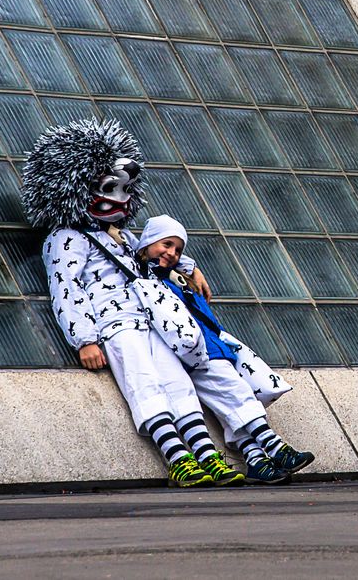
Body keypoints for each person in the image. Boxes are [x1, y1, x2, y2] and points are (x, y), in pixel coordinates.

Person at [24, 119, 243, 488]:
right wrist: (85, 339)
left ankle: (208, 457)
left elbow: (146, 256)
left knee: (178, 384)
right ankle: (178, 460)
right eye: (111, 187)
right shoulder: (65, 238)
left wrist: (189, 266)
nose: (121, 198)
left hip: (151, 320)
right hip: (117, 326)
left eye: (125, 189)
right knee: (144, 385)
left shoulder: (122, 235)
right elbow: (65, 288)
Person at [135, 215, 315, 482]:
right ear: (148, 242)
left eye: (178, 250)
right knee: (238, 394)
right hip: (201, 351)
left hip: (209, 347)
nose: (172, 254)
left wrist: (190, 267)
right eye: (167, 244)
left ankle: (257, 461)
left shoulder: (172, 276)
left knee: (230, 405)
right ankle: (276, 447)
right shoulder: (146, 276)